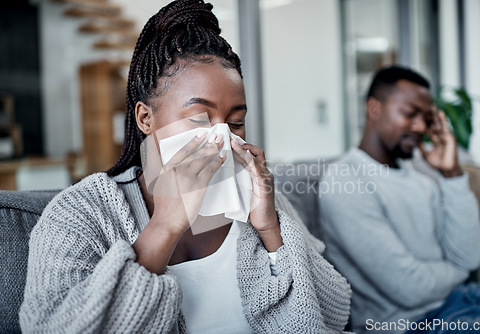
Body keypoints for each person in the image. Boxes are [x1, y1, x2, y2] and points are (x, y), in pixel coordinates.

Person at [19, 1, 352, 333]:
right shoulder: (81, 213)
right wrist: (164, 226)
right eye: (198, 118)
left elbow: (333, 316)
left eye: (236, 122)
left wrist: (270, 231)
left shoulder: (256, 197)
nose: (221, 137)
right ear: (145, 118)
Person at [318, 66, 480, 334]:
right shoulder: (345, 182)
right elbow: (410, 289)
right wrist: (458, 270)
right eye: (409, 114)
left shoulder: (421, 173)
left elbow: (468, 257)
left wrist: (452, 173)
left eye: (426, 118)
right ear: (374, 108)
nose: (420, 127)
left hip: (463, 298)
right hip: (413, 323)